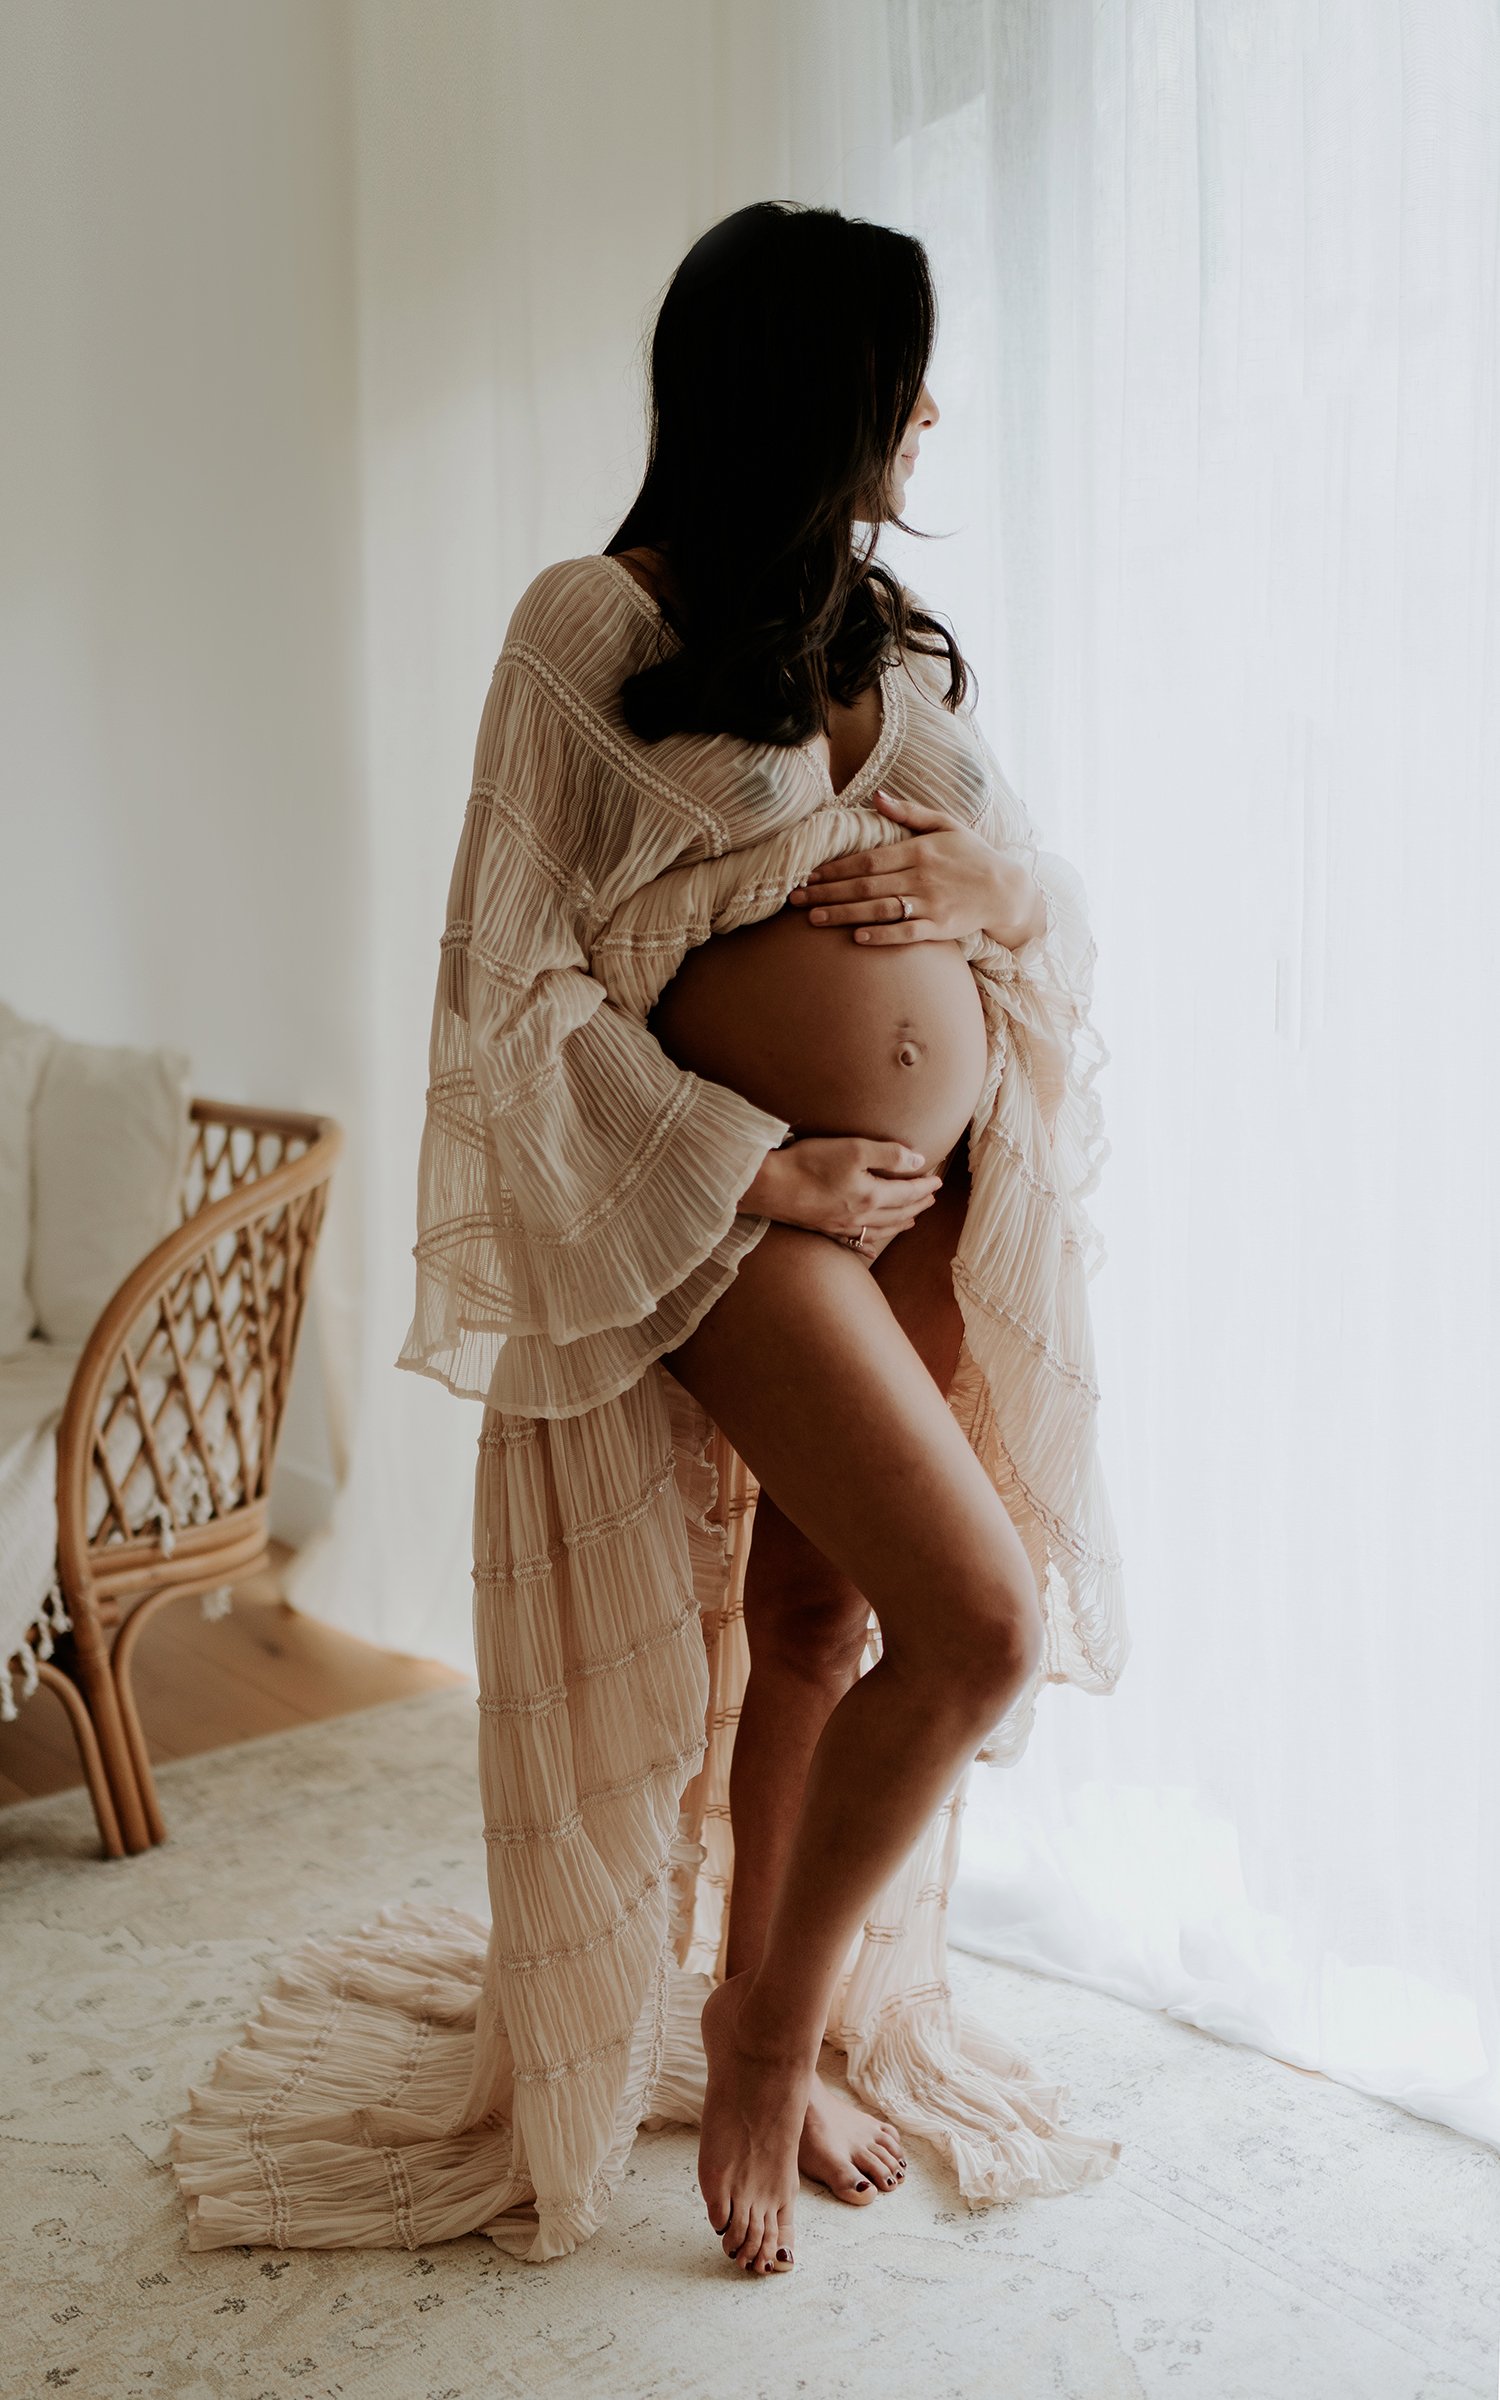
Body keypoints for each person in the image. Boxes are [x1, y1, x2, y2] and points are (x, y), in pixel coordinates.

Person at [171, 199, 1127, 2277]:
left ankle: (773, 1997)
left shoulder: (886, 633)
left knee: (824, 1631)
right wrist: (747, 1165)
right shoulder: (586, 628)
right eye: (903, 379)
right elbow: (507, 982)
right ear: (810, 393)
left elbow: (1026, 873)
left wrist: (999, 908)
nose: (931, 413)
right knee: (980, 1623)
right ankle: (768, 2037)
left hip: (925, 1201)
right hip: (737, 1208)